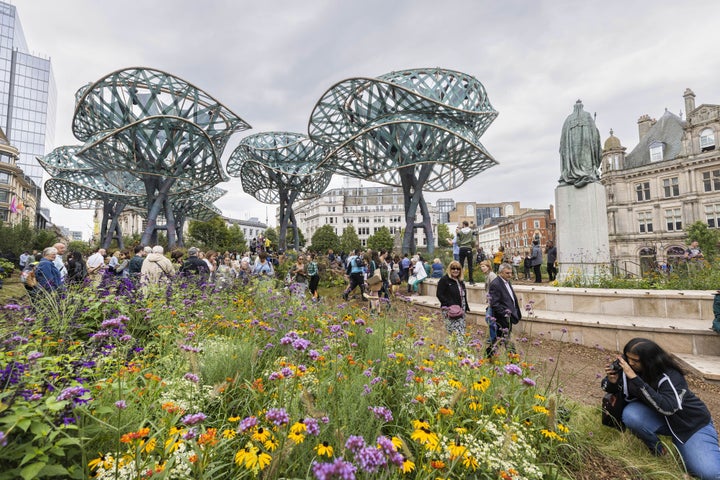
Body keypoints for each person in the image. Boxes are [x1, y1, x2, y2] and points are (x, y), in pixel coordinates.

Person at [602, 338, 720, 479]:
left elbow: (668, 408)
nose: (630, 363)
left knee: (711, 474)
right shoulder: (629, 368)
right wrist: (612, 381)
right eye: (628, 358)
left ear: (649, 360)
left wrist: (634, 378)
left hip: (690, 425)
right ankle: (659, 451)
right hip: (659, 418)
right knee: (631, 415)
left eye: (635, 360)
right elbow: (609, 387)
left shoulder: (671, 376)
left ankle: (689, 446)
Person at [558, 99, 602, 188]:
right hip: (586, 147)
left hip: (572, 150)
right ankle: (586, 173)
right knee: (586, 160)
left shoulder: (568, 119)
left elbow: (563, 141)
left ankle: (573, 173)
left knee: (579, 158)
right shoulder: (588, 116)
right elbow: (595, 135)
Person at [487, 263, 521, 357]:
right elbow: (494, 303)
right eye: (507, 273)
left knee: (500, 338)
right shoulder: (496, 284)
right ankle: (513, 359)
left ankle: (489, 354)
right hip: (502, 318)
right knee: (505, 338)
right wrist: (505, 314)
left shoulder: (506, 282)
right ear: (501, 272)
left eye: (511, 273)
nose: (510, 275)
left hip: (508, 316)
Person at [436, 260, 469, 346]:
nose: (455, 270)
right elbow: (439, 294)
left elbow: (463, 295)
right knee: (453, 331)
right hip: (450, 311)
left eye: (458, 268)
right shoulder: (444, 280)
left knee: (461, 330)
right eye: (453, 268)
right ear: (449, 269)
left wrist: (466, 308)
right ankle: (456, 350)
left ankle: (456, 350)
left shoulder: (460, 281)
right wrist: (449, 305)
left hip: (461, 310)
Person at [479, 260, 497, 355]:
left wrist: (492, 301)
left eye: (484, 266)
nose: (482, 268)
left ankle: (493, 337)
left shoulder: (492, 275)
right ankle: (493, 337)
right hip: (490, 301)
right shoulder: (487, 276)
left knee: (489, 318)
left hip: (493, 302)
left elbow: (495, 289)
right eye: (481, 266)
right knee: (490, 319)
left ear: (489, 267)